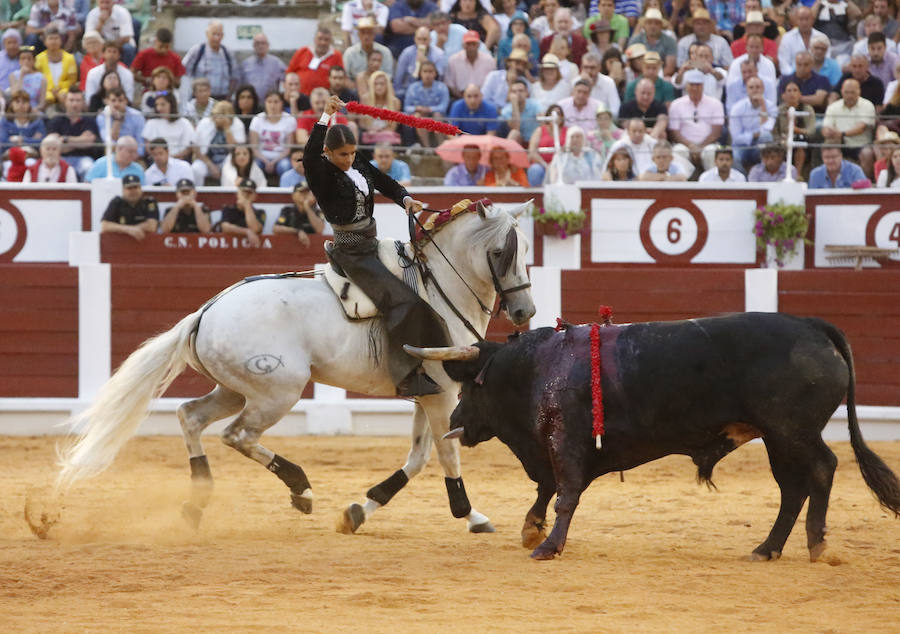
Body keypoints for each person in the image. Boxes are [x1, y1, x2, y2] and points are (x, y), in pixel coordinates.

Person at [303, 93, 448, 397]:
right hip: (352, 253)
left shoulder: (359, 164)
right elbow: (308, 155)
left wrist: (406, 200)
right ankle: (406, 377)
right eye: (342, 154)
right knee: (402, 301)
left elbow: (386, 183)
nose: (349, 159)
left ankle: (441, 359)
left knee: (421, 286)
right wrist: (325, 117)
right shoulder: (322, 174)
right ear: (328, 153)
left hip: (373, 244)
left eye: (353, 153)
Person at [668, 68, 723, 173]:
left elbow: (716, 132)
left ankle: (712, 186)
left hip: (707, 144)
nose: (695, 88)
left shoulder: (715, 104)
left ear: (703, 86)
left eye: (698, 85)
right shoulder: (676, 104)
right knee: (678, 151)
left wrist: (701, 147)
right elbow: (674, 132)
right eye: (692, 84)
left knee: (711, 152)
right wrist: (691, 146)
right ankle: (681, 184)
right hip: (685, 145)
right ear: (686, 86)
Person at [822, 77, 876, 172]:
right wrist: (828, 133)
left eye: (852, 92)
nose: (849, 95)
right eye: (847, 92)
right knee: (827, 147)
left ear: (859, 91)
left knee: (867, 153)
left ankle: (864, 184)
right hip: (839, 143)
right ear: (842, 92)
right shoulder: (833, 107)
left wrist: (841, 133)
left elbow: (861, 128)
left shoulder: (867, 105)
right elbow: (826, 128)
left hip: (861, 144)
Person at [47, 87, 98, 178]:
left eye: (78, 100)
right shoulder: (56, 120)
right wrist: (79, 142)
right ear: (65, 102)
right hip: (60, 159)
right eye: (71, 100)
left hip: (83, 158)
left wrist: (65, 139)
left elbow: (89, 142)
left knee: (89, 167)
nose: (74, 104)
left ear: (83, 103)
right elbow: (53, 145)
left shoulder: (90, 121)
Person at [181, 21, 238, 102]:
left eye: (219, 34)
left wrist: (228, 98)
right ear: (207, 34)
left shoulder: (228, 53)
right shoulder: (197, 51)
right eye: (214, 34)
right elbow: (184, 74)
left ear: (223, 36)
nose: (216, 38)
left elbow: (235, 77)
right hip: (200, 100)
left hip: (222, 99)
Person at [728, 75, 775, 171]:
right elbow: (736, 137)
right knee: (734, 157)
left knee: (766, 137)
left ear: (763, 89)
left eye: (758, 87)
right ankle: (744, 180)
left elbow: (767, 130)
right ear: (746, 90)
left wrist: (763, 106)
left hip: (759, 145)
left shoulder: (770, 106)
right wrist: (754, 135)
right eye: (751, 87)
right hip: (741, 147)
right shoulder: (737, 108)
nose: (755, 90)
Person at [249, 89, 296, 180]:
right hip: (261, 157)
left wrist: (274, 162)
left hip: (281, 157)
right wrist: (266, 161)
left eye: (276, 102)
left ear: (281, 103)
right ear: (265, 103)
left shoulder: (289, 120)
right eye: (269, 102)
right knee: (254, 166)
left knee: (285, 166)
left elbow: (288, 148)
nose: (272, 105)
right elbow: (254, 147)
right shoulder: (257, 119)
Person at [403, 59, 450, 147]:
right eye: (425, 71)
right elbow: (407, 107)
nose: (428, 74)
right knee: (419, 117)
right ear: (420, 73)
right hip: (420, 115)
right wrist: (418, 108)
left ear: (435, 73)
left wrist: (429, 109)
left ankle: (441, 146)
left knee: (437, 115)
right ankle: (427, 147)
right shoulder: (413, 88)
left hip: (437, 115)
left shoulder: (442, 87)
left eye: (430, 71)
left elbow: (443, 106)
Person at [394, 25, 447, 101]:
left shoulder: (439, 54)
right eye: (419, 39)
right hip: (408, 91)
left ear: (430, 40)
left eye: (425, 39)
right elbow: (399, 76)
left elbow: (440, 78)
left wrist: (426, 63)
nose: (422, 42)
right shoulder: (407, 53)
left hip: (432, 92)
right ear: (415, 39)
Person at [100, 173, 158, 239]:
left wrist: (131, 229)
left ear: (141, 188)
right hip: (119, 244)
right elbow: (105, 226)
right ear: (123, 190)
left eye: (136, 187)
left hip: (145, 244)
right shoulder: (117, 202)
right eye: (129, 188)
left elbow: (152, 226)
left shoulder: (149, 202)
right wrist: (129, 229)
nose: (133, 191)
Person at [286, 26, 343, 95]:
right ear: (315, 39)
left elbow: (341, 77)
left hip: (324, 98)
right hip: (301, 96)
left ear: (330, 41)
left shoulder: (336, 55)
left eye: (326, 40)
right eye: (320, 39)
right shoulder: (303, 51)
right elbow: (289, 73)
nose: (323, 42)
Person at [141, 92, 193, 161]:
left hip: (180, 160)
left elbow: (188, 147)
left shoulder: (184, 123)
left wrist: (173, 158)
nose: (159, 108)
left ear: (172, 104)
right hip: (157, 160)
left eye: (163, 104)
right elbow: (148, 146)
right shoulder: (151, 123)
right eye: (157, 105)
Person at [444, 29, 495, 99]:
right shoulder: (453, 60)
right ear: (463, 45)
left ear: (478, 45)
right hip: (460, 96)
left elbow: (493, 84)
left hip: (483, 97)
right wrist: (464, 97)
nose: (471, 47)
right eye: (468, 44)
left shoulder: (489, 60)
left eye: (474, 44)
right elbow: (450, 84)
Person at [342, 16, 394, 84]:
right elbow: (345, 77)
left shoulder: (385, 52)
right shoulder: (349, 53)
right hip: (356, 88)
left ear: (374, 34)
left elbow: (388, 76)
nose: (366, 36)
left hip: (380, 87)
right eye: (363, 32)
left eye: (369, 32)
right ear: (358, 34)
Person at [778, 6, 827, 77]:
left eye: (807, 19)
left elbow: (826, 61)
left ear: (812, 20)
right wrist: (794, 77)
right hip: (792, 78)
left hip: (817, 78)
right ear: (796, 20)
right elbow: (784, 63)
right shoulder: (787, 38)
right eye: (801, 19)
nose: (804, 22)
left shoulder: (822, 37)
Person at [34, 27, 75, 109]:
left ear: (61, 41)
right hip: (45, 90)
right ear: (45, 42)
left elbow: (72, 80)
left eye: (56, 38)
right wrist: (51, 89)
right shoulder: (39, 58)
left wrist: (59, 88)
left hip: (64, 90)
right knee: (46, 98)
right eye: (50, 38)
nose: (53, 41)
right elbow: (37, 78)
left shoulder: (70, 58)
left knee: (66, 97)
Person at [627, 8, 676, 77]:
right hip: (637, 77)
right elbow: (629, 63)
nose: (653, 26)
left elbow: (670, 68)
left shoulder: (670, 41)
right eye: (649, 23)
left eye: (656, 23)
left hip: (661, 77)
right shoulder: (635, 40)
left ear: (661, 26)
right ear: (644, 25)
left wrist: (654, 78)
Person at [273, 182, 325, 247]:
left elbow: (320, 229)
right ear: (293, 196)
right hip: (290, 247)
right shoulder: (287, 210)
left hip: (312, 247)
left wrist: (307, 207)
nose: (305, 195)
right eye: (302, 192)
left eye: (307, 192)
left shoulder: (318, 212)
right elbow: (276, 229)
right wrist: (297, 232)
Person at [97, 86, 145, 155]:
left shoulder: (137, 115)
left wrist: (132, 156)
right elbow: (109, 143)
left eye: (120, 100)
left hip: (134, 155)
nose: (117, 104)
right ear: (107, 101)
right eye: (113, 100)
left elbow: (141, 145)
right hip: (113, 155)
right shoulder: (102, 116)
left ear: (126, 101)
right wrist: (117, 120)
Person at [84, 0, 135, 64]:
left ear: (113, 3)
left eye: (107, 2)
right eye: (102, 2)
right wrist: (100, 23)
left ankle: (127, 71)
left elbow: (126, 37)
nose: (104, 6)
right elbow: (89, 37)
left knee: (128, 48)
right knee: (91, 47)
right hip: (101, 44)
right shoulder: (92, 14)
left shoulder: (122, 12)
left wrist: (110, 47)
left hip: (120, 44)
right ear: (98, 3)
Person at [526, 103, 566, 185]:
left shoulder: (567, 131)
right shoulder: (540, 130)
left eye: (558, 114)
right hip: (542, 164)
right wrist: (546, 165)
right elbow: (532, 152)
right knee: (535, 170)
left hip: (562, 164)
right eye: (552, 113)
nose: (555, 116)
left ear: (562, 117)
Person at [84, 40, 133, 106]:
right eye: (109, 51)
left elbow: (129, 99)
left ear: (119, 55)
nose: (111, 55)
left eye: (114, 52)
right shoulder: (93, 73)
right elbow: (89, 99)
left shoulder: (127, 74)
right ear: (103, 54)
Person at [240, 32, 285, 102]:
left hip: (270, 105)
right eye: (257, 43)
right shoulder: (245, 64)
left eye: (263, 43)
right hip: (251, 105)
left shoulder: (277, 64)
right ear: (253, 46)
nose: (260, 46)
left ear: (268, 45)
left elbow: (284, 84)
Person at [219, 177, 265, 246]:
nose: (246, 195)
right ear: (237, 193)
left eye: (250, 193)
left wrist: (247, 206)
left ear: (255, 196)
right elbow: (225, 227)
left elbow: (255, 229)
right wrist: (246, 231)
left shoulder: (260, 212)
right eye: (243, 192)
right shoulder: (229, 209)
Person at [9, 45, 45, 110]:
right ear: (19, 61)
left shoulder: (41, 78)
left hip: (34, 110)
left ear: (34, 61)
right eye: (23, 58)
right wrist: (21, 75)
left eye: (29, 59)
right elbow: (14, 95)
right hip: (17, 110)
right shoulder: (13, 75)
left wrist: (32, 110)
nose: (26, 61)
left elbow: (42, 103)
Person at [0, 28, 20, 92]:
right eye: (9, 43)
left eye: (14, 42)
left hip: (18, 94)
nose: (12, 46)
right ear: (4, 44)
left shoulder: (23, 58)